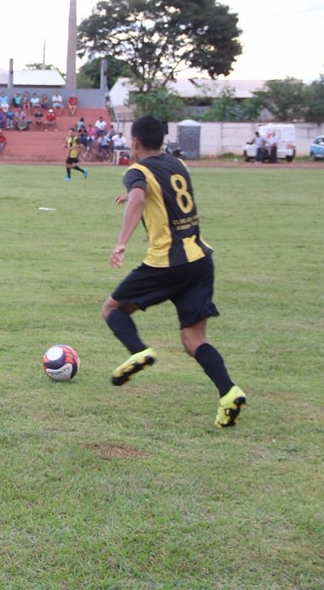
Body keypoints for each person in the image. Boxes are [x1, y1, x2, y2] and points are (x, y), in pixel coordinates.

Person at [104, 115, 246, 428]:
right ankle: (228, 391)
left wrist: (121, 243)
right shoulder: (179, 165)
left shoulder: (136, 170)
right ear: (163, 141)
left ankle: (139, 352)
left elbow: (141, 196)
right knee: (194, 339)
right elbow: (166, 193)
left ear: (135, 142)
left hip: (167, 264)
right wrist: (133, 196)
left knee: (113, 309)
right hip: (200, 261)